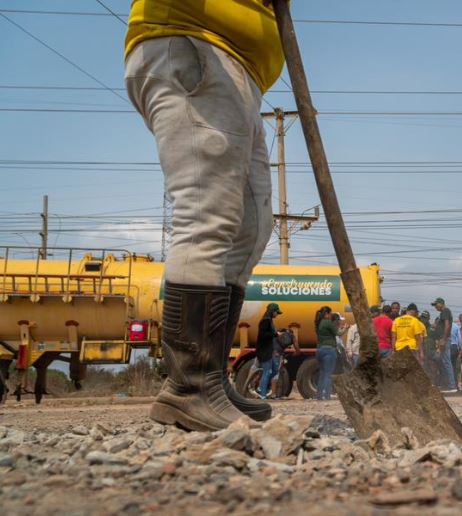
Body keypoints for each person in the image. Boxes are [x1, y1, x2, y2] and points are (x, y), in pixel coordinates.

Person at [125, 0, 284, 430]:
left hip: (240, 73)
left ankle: (211, 376)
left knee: (251, 228)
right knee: (207, 212)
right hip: (194, 47)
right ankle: (188, 387)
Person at [257, 303, 282, 400]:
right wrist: (275, 334)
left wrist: (275, 334)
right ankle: (263, 395)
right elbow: (263, 335)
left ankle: (260, 387)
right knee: (267, 372)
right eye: (276, 312)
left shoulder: (269, 320)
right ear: (272, 311)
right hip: (264, 350)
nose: (277, 314)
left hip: (269, 349)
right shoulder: (265, 321)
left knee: (275, 370)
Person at [431, 298, 457, 392]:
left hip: (444, 339)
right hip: (443, 339)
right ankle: (446, 384)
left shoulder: (445, 311)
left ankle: (452, 386)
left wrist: (444, 339)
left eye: (436, 305)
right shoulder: (443, 312)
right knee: (439, 359)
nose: (435, 307)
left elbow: (447, 325)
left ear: (441, 303)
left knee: (446, 361)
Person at [314, 306, 337, 401]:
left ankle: (319, 395)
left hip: (319, 350)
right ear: (327, 313)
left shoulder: (318, 323)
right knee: (328, 374)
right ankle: (327, 395)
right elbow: (338, 333)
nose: (331, 315)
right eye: (330, 313)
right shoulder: (328, 322)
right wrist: (346, 328)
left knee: (322, 373)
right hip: (329, 350)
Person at [449, 320, 462, 391]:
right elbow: (459, 339)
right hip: (454, 347)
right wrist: (460, 348)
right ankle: (455, 385)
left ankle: (450, 384)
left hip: (447, 347)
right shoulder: (456, 326)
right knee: (453, 366)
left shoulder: (444, 325)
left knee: (447, 366)